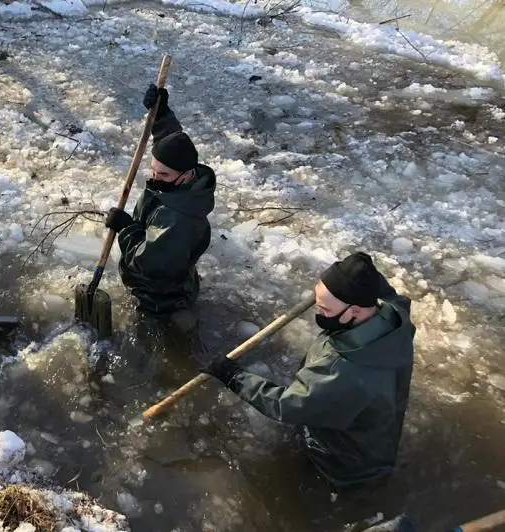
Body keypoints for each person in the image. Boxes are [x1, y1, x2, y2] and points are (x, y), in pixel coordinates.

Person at [205, 252, 416, 490]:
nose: (319, 314)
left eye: (325, 310)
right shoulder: (394, 315)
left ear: (355, 311)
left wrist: (233, 376)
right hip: (376, 433)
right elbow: (382, 288)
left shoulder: (341, 369)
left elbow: (287, 405)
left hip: (344, 462)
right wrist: (354, 270)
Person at [104, 85, 216, 334]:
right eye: (153, 170)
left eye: (163, 174)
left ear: (186, 175)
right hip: (170, 272)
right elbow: (171, 142)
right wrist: (161, 112)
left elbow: (149, 264)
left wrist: (126, 228)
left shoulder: (178, 218)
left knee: (156, 337)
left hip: (159, 297)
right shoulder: (184, 178)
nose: (155, 178)